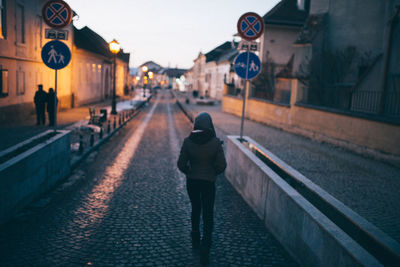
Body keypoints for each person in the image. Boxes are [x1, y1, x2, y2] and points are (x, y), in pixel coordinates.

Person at [177, 112, 227, 266]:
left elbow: (181, 164)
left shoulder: (188, 141)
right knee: (208, 213)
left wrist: (189, 172)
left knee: (195, 208)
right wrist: (212, 173)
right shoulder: (215, 143)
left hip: (192, 182)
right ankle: (206, 245)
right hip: (208, 183)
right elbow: (222, 165)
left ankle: (195, 237)